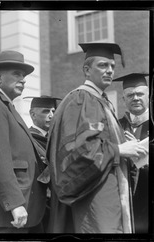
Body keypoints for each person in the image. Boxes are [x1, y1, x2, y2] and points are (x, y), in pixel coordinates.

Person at [46, 43, 148, 233]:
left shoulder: (100, 100)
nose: (109, 70)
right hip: (95, 198)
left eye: (112, 66)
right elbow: (78, 151)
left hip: (108, 194)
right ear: (86, 69)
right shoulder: (82, 99)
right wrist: (119, 150)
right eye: (103, 65)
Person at [0, 50, 47, 233]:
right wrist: (15, 203)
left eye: (24, 75)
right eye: (17, 74)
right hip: (6, 214)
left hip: (17, 210)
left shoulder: (5, 105)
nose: (23, 79)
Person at [114, 73, 149, 233]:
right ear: (123, 100)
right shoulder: (116, 127)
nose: (135, 98)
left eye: (140, 94)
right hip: (123, 199)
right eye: (130, 95)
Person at [26, 95, 62, 231]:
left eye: (53, 111)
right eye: (46, 111)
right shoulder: (27, 138)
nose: (51, 116)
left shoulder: (58, 138)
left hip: (58, 202)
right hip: (38, 204)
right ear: (33, 114)